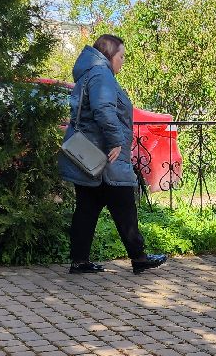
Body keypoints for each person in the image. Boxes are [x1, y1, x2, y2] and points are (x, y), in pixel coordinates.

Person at [60, 34, 168, 275]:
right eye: (121, 56)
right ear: (109, 55)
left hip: (90, 154)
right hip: (106, 155)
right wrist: (116, 141)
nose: (123, 61)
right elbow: (103, 109)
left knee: (87, 207)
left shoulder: (89, 72)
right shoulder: (101, 74)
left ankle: (79, 261)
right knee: (124, 204)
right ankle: (139, 258)